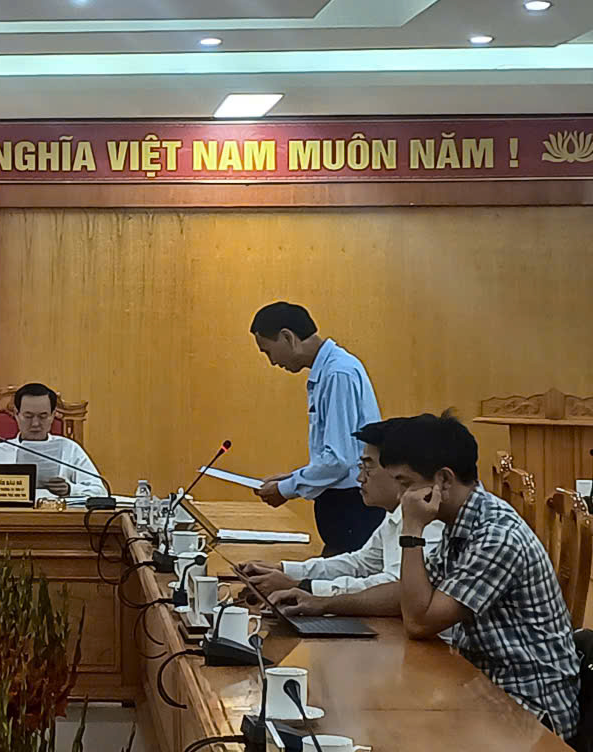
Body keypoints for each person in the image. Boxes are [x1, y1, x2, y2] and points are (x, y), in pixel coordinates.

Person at [386, 412, 578, 739]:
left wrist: (412, 529)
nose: (399, 498)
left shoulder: (496, 537)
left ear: (443, 480)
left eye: (405, 484)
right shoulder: (462, 522)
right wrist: (321, 603)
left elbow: (419, 622)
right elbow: (413, 594)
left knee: (400, 731)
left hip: (530, 711)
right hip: (485, 689)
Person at [239, 418, 444, 608]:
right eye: (360, 468)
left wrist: (304, 587)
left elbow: (397, 587)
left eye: (368, 469)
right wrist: (285, 570)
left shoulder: (428, 516)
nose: (360, 478)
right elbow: (361, 563)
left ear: (396, 470)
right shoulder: (395, 513)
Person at [250, 302, 384, 555]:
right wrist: (292, 477)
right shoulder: (329, 371)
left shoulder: (338, 373)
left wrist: (286, 489)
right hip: (344, 506)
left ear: (288, 337)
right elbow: (338, 454)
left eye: (268, 351)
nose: (272, 362)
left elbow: (339, 460)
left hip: (353, 507)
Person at [0, 383, 104, 499]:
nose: (35, 423)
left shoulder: (69, 449)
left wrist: (70, 489)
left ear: (53, 415)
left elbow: (100, 491)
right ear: (16, 414)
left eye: (43, 416)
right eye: (28, 416)